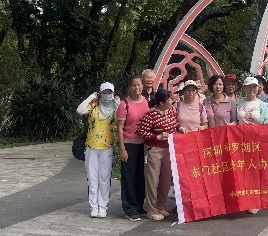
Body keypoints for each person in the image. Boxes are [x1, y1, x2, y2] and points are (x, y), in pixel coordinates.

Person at [136, 90, 188, 220]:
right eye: (169, 99)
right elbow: (141, 131)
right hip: (154, 150)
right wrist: (157, 136)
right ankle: (151, 209)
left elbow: (174, 123)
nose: (171, 101)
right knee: (152, 180)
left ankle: (160, 206)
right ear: (161, 103)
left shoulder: (170, 111)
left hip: (169, 149)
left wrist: (179, 128)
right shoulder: (151, 114)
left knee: (166, 179)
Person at [76, 82, 117, 218]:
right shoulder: (93, 106)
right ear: (100, 93)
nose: (107, 95)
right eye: (104, 92)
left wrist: (117, 102)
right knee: (92, 177)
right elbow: (80, 110)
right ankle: (94, 206)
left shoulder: (115, 107)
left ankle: (103, 206)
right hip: (91, 146)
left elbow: (124, 117)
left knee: (104, 178)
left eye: (109, 92)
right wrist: (90, 97)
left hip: (107, 147)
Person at [116, 76, 149, 221]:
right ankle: (129, 208)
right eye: (134, 85)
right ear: (130, 87)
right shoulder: (124, 104)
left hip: (144, 145)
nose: (137, 88)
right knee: (129, 177)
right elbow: (120, 128)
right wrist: (122, 149)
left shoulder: (146, 102)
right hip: (129, 145)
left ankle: (139, 205)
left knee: (141, 177)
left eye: (139, 85)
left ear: (143, 86)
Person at [236, 76, 268, 214]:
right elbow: (235, 120)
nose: (252, 89)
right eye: (249, 86)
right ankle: (244, 199)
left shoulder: (262, 105)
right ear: (244, 88)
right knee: (242, 171)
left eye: (254, 87)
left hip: (256, 143)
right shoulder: (238, 103)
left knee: (255, 170)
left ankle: (255, 201)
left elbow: (267, 123)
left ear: (258, 88)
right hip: (239, 142)